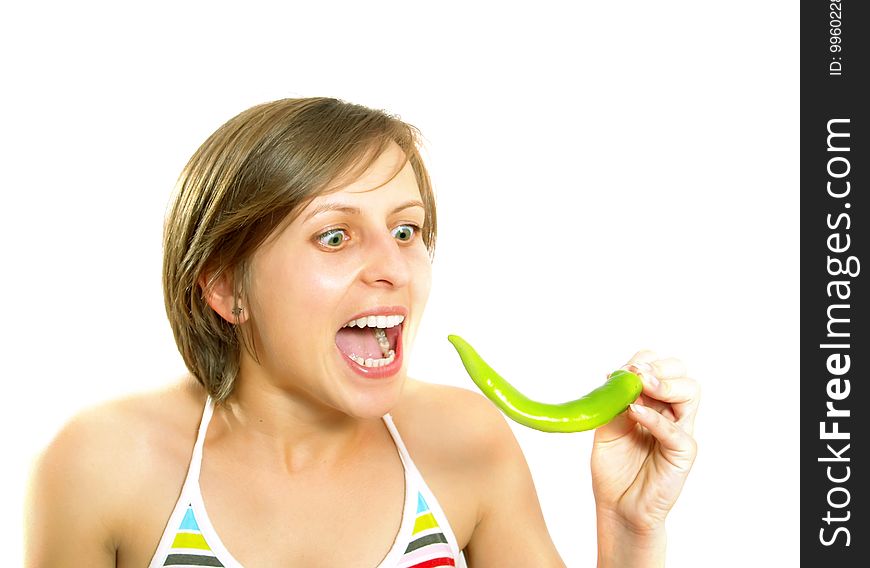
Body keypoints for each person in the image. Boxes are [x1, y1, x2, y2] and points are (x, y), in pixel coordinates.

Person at [24, 97, 700, 567]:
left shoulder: (465, 443)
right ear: (227, 287)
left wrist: (629, 527)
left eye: (406, 230)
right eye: (336, 235)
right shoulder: (103, 462)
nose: (393, 268)